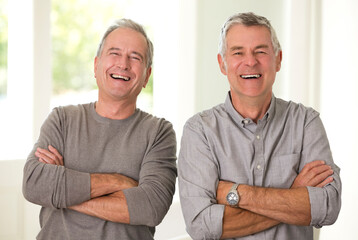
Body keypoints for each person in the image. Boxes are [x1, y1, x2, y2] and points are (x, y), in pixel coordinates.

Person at [178, 12, 341, 239]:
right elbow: (202, 227)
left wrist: (235, 193)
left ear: (278, 59)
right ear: (222, 64)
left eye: (260, 51)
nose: (250, 61)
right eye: (238, 52)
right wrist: (293, 196)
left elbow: (328, 207)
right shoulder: (200, 131)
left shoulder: (305, 122)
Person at [22, 19, 177, 240]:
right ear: (96, 66)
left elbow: (151, 207)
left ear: (146, 76)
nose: (123, 64)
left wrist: (64, 191)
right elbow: (34, 184)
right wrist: (117, 182)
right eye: (114, 53)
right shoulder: (62, 119)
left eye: (135, 57)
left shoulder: (159, 132)